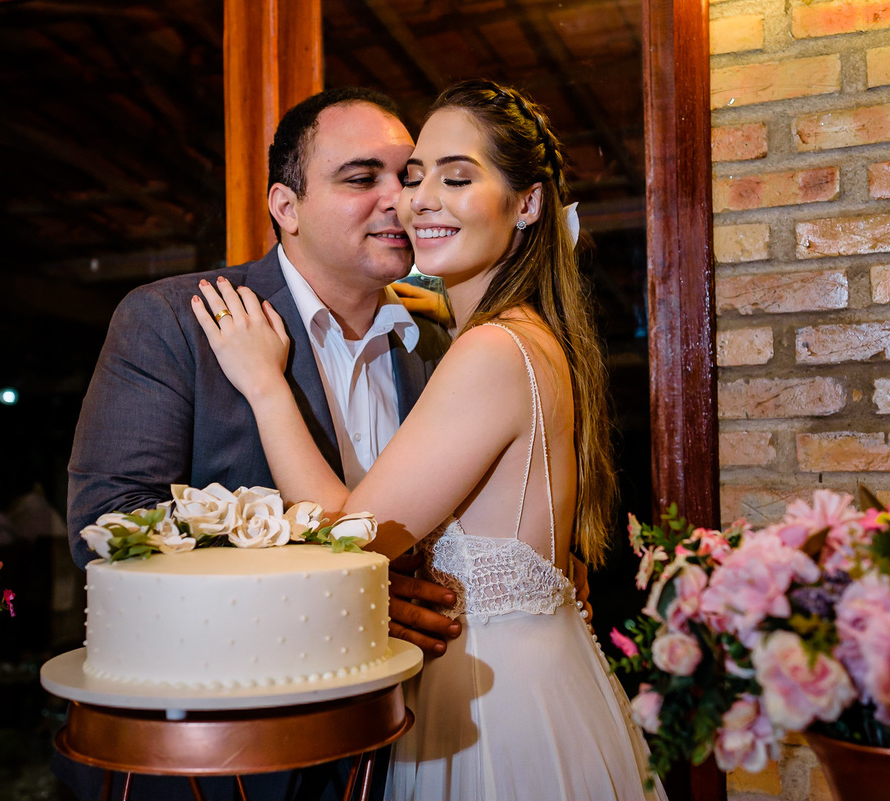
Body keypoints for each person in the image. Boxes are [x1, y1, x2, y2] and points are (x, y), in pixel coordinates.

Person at [192, 80, 666, 801]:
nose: (417, 199)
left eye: (458, 176)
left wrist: (265, 385)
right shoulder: (517, 337)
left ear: (529, 203)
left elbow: (351, 539)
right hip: (529, 682)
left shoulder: (492, 352)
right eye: (417, 177)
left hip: (490, 713)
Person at [62, 87, 459, 801]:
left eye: (411, 176)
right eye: (363, 178)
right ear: (286, 205)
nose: (399, 199)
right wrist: (349, 599)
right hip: (216, 755)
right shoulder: (177, 322)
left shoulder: (432, 344)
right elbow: (110, 529)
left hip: (403, 742)